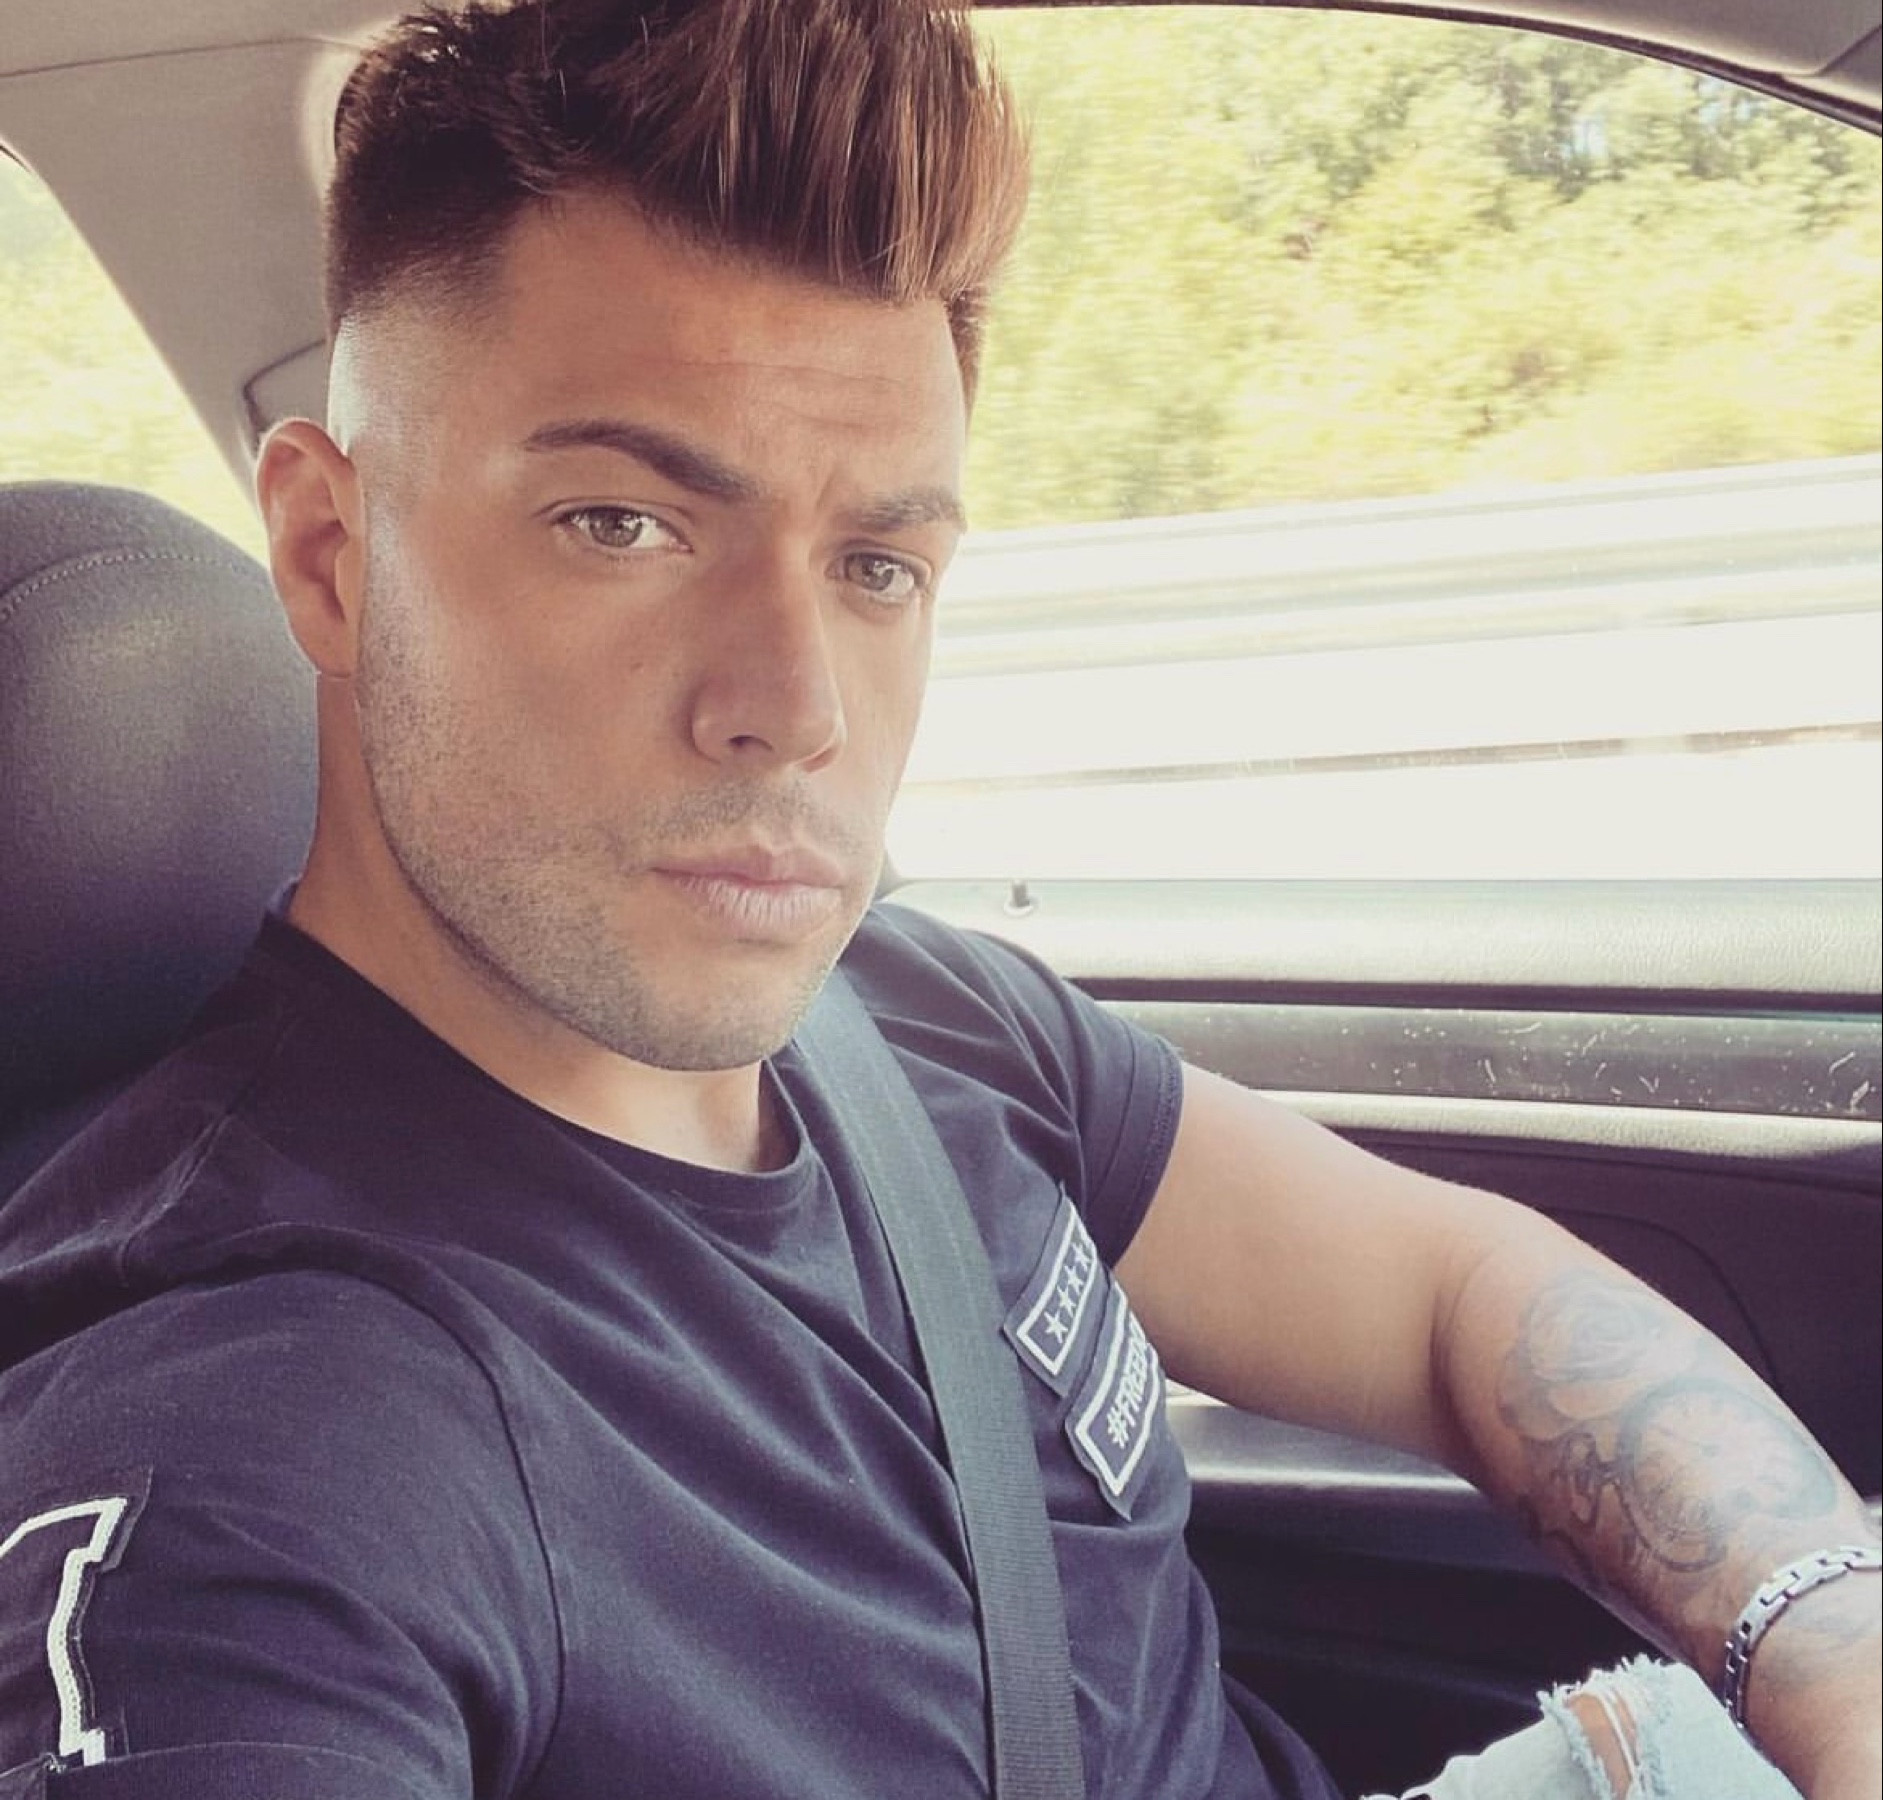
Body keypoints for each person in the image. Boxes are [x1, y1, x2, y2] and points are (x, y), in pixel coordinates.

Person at [0, 1, 1876, 1796]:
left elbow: (1456, 1293)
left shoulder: (912, 1017)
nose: (795, 706)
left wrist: (1838, 1668)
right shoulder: (257, 1454)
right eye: (623, 526)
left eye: (878, 564)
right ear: (330, 554)